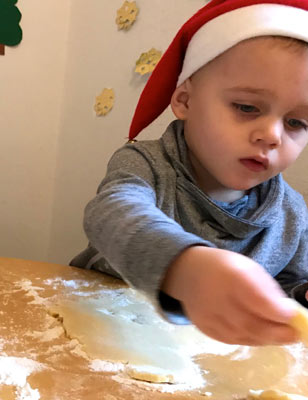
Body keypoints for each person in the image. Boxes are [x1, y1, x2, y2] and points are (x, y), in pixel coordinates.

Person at [71, 0, 308, 346]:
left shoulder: (292, 214)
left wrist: (298, 297)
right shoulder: (146, 164)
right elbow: (111, 214)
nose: (272, 135)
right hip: (96, 336)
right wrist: (185, 267)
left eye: (296, 122)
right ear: (184, 101)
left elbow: (286, 287)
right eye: (246, 107)